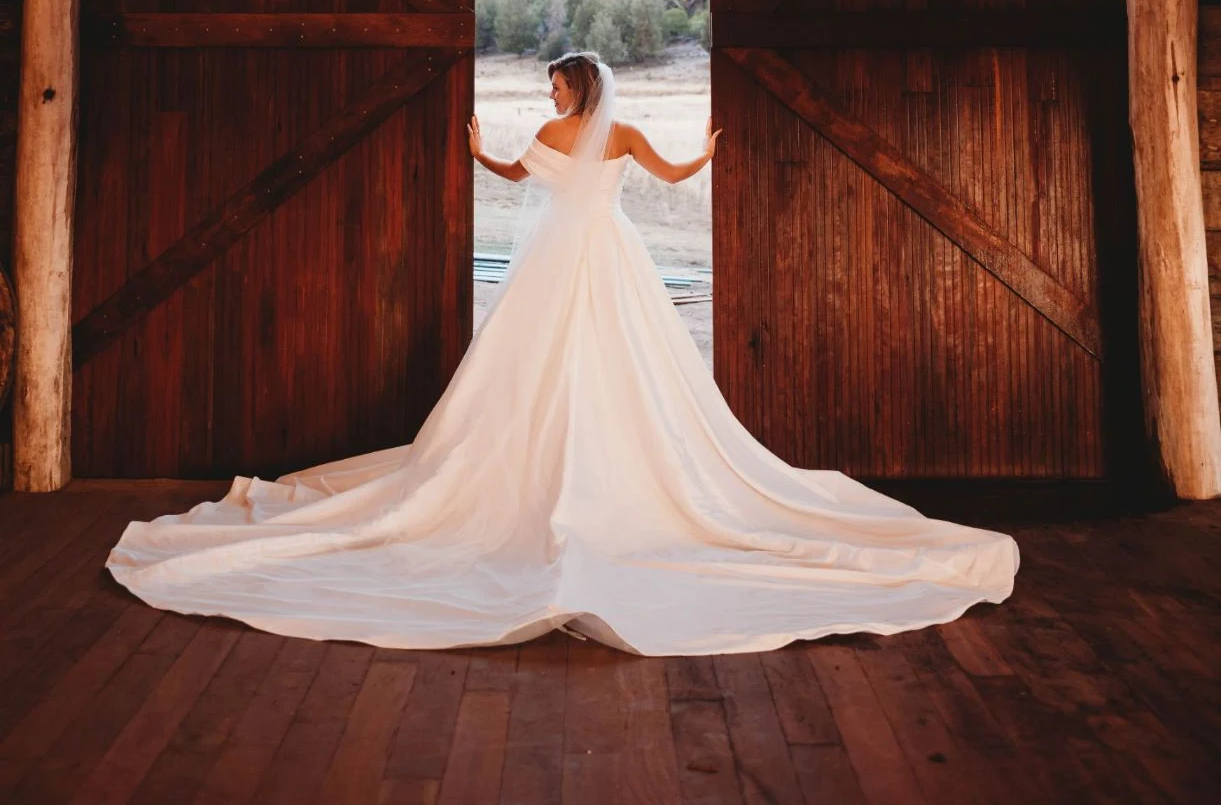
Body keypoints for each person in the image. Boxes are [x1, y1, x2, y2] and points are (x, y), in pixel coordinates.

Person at [106, 51, 1018, 655]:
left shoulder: (551, 138)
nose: (547, 98)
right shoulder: (621, 135)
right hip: (611, 253)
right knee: (623, 360)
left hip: (558, 258)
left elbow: (513, 175)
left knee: (540, 360)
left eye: (552, 87)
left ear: (573, 89)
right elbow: (671, 176)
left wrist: (475, 150)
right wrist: (705, 152)